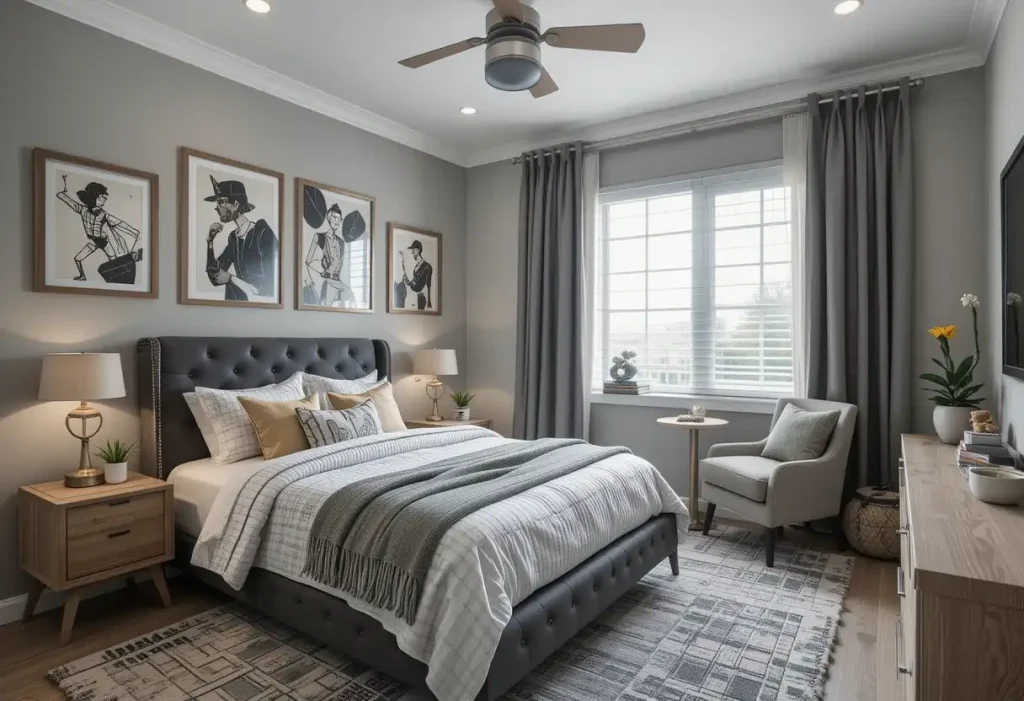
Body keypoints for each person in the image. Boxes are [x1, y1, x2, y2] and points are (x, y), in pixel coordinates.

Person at [204, 176, 278, 302]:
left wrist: (231, 279)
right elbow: (215, 278)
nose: (217, 207)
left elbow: (270, 289)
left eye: (221, 202)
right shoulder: (234, 238)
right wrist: (210, 241)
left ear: (236, 204)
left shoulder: (262, 233)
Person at [56, 176, 141, 281]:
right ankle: (82, 276)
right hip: (94, 241)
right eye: (103, 197)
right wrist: (62, 191)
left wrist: (136, 248)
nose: (104, 200)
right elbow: (65, 198)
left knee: (113, 264)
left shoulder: (104, 215)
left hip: (105, 242)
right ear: (94, 197)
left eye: (105, 198)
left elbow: (130, 229)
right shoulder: (82, 209)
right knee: (77, 259)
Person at [304, 203, 354, 306]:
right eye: (334, 218)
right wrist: (323, 271)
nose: (336, 221)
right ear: (328, 218)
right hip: (325, 280)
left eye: (339, 219)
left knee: (349, 296)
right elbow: (308, 260)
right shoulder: (319, 237)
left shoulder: (341, 242)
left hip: (336, 281)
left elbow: (341, 264)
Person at [401, 239, 433, 310]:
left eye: (413, 250)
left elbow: (428, 286)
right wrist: (408, 282)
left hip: (421, 298)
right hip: (413, 297)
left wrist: (429, 303)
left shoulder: (427, 267)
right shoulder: (416, 266)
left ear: (418, 250)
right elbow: (414, 282)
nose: (412, 252)